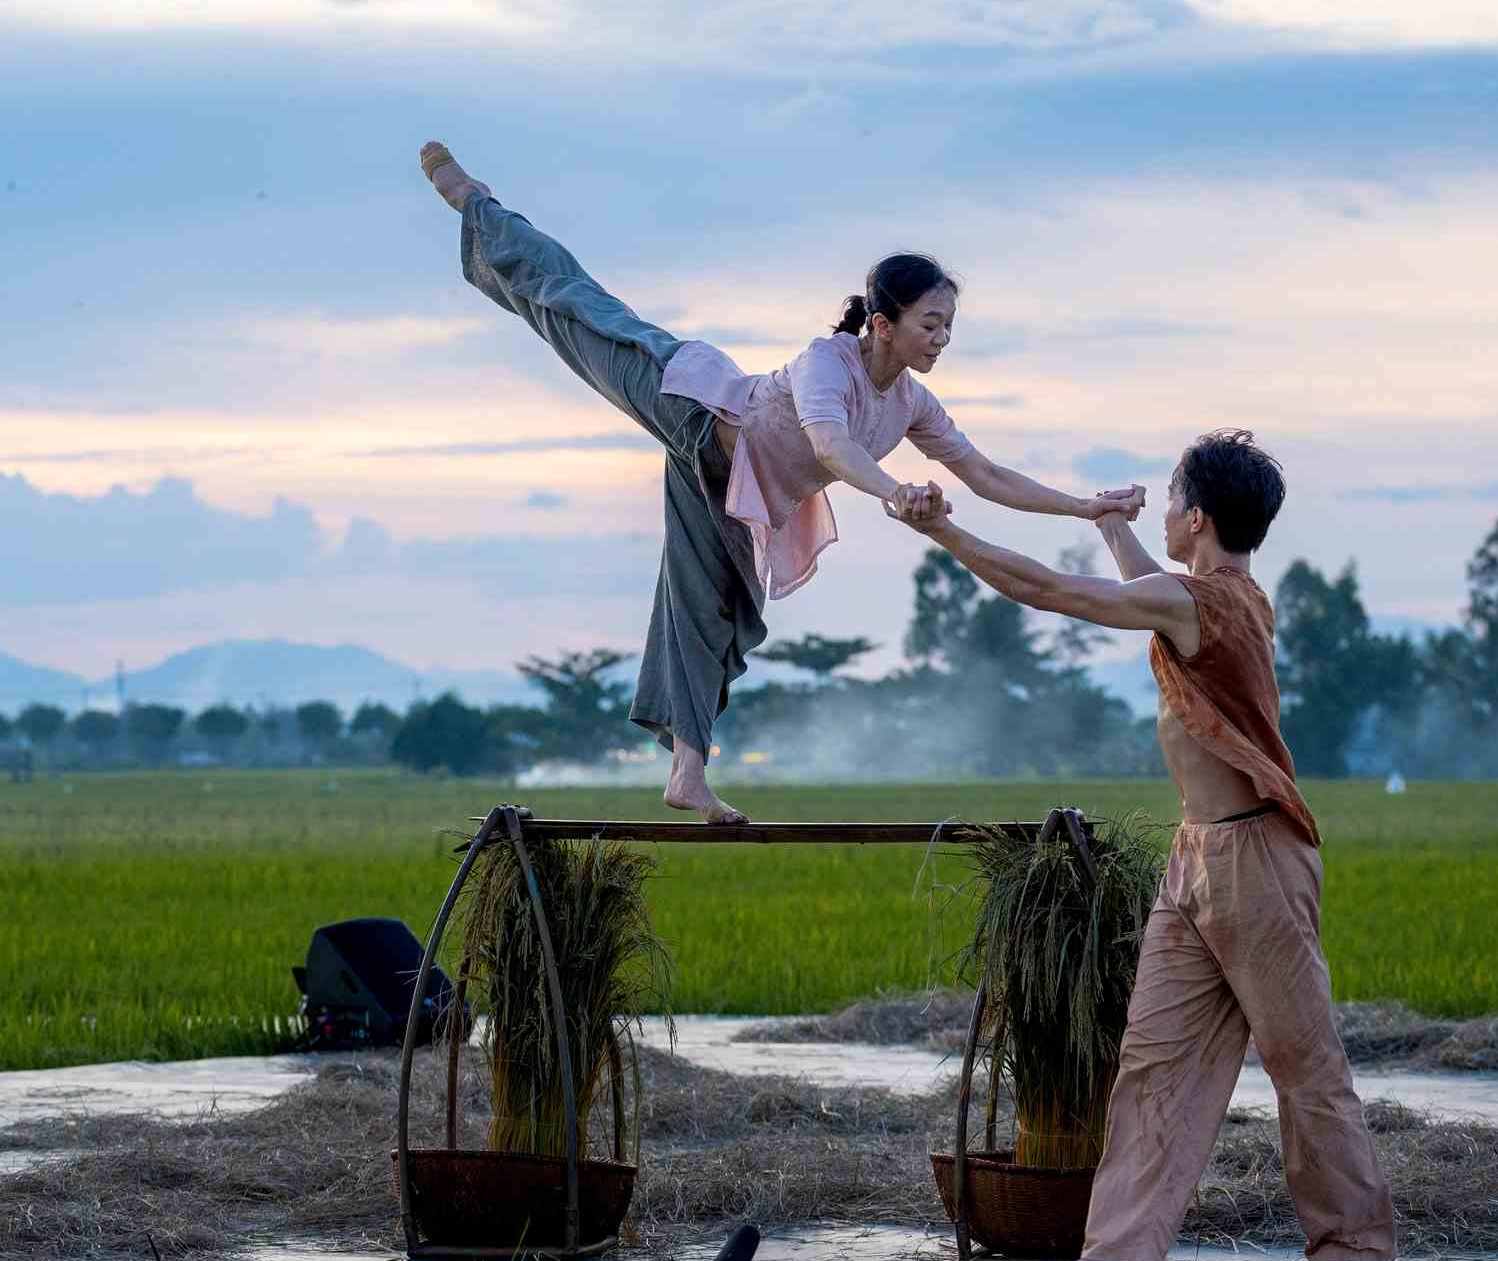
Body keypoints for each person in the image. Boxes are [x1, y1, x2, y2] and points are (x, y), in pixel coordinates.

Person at [417, 142, 1141, 824]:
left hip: (732, 492)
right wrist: (895, 494)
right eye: (931, 323)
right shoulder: (830, 362)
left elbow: (983, 474)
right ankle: (477, 203)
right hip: (693, 410)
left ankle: (686, 771)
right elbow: (830, 447)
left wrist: (1085, 507)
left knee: (717, 616)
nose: (942, 338)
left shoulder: (911, 402)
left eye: (949, 325)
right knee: (581, 310)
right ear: (883, 325)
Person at [890, 429, 1396, 1261]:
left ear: (1195, 517)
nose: (1159, 510)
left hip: (1256, 859)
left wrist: (943, 531)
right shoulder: (1221, 596)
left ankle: (1349, 1246)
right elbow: (1151, 595)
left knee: (1301, 1059)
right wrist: (1107, 522)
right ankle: (1122, 1249)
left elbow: (1047, 590)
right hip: (1195, 859)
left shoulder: (1216, 603)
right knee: (1154, 1058)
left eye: (1167, 499)